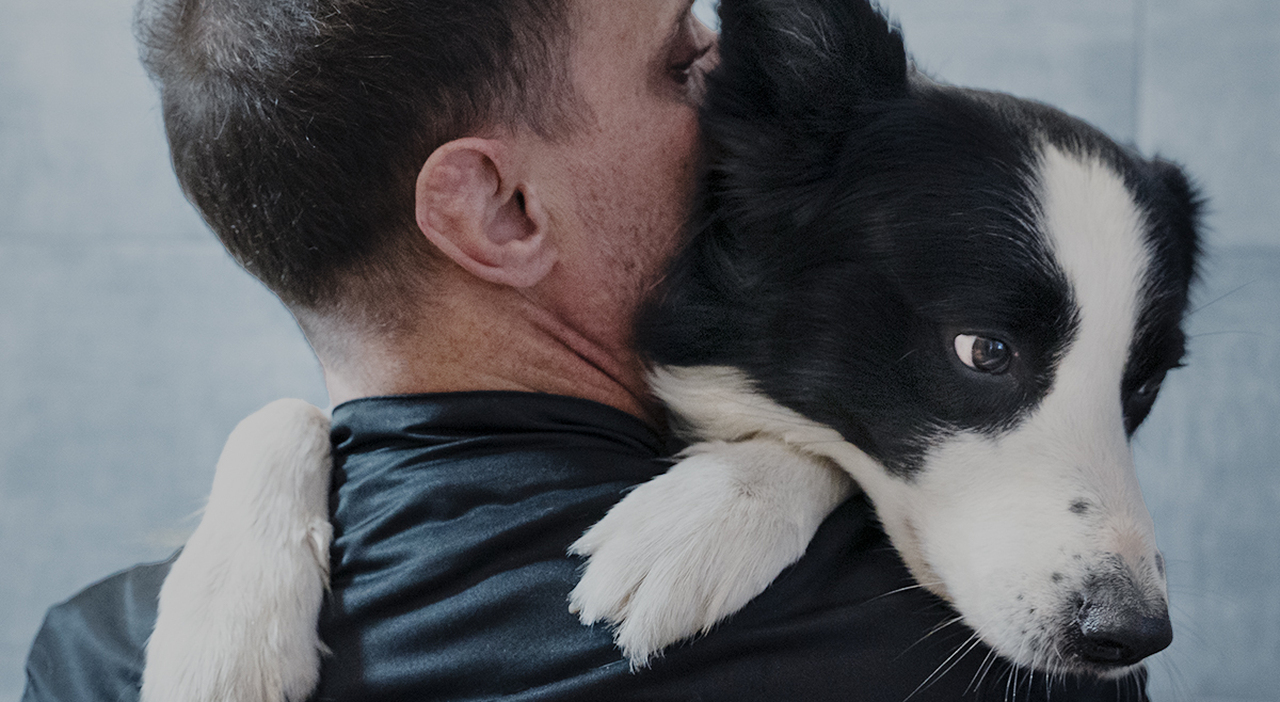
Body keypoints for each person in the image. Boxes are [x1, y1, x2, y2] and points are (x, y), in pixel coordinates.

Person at [23, 1, 1151, 700]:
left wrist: (782, 471)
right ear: (500, 209)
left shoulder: (88, 660)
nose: (729, 76)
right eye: (675, 62)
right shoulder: (937, 652)